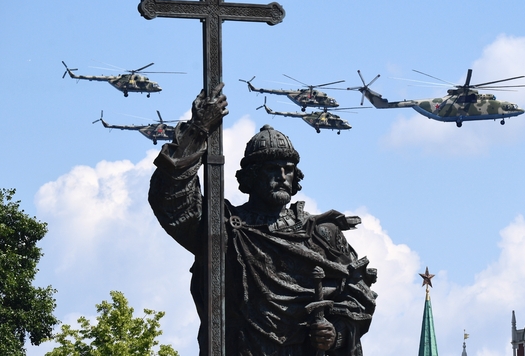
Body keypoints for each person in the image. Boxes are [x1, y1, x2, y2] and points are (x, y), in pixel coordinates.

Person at [148, 84, 377, 355]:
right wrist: (197, 130)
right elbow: (172, 201)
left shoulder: (321, 235)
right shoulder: (224, 229)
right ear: (251, 177)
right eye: (271, 169)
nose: (282, 176)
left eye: (288, 169)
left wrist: (335, 334)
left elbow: (357, 294)